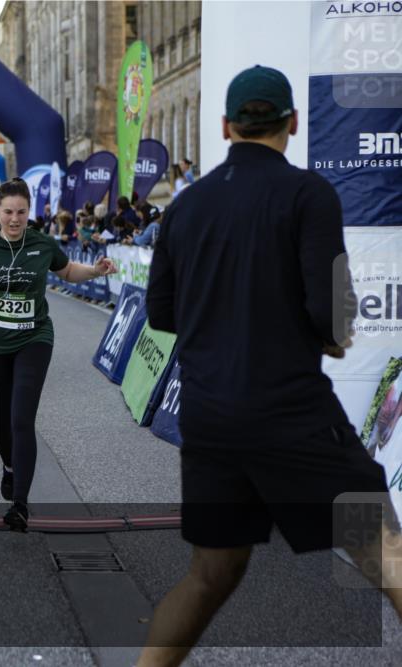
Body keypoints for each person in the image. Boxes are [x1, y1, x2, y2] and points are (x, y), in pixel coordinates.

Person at [138, 65, 402, 667]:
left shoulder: (185, 209)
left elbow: (160, 313)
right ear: (294, 123)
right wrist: (329, 337)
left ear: (227, 126)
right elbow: (329, 310)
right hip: (290, 411)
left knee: (210, 575)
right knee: (385, 549)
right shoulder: (310, 194)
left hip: (209, 416)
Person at [0, 178, 116, 531]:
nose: (15, 219)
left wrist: (95, 270)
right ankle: (9, 465)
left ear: (28, 211)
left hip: (34, 338)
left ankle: (20, 503)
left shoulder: (41, 243)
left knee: (21, 419)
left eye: (21, 211)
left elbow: (66, 270)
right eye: (8, 212)